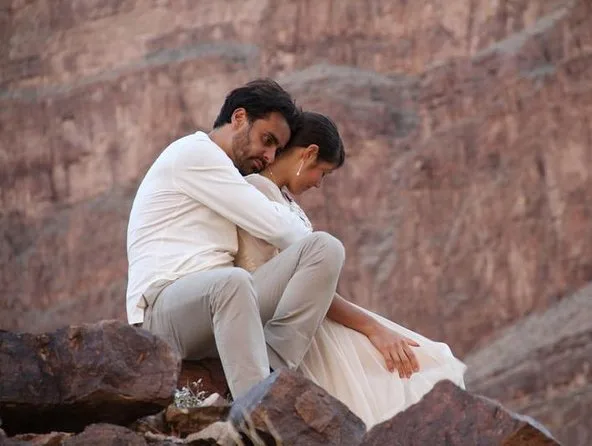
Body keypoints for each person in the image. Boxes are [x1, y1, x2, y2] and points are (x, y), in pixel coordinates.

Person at [235, 111, 466, 428]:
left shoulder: (283, 200)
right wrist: (372, 328)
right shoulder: (257, 193)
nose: (318, 183)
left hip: (310, 319)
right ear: (309, 153)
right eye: (323, 172)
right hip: (290, 326)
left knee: (430, 361)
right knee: (428, 365)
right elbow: (292, 284)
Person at [125, 79, 346, 400]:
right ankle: (255, 409)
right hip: (163, 310)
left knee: (325, 249)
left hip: (223, 307)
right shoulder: (195, 153)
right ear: (239, 118)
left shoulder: (231, 173)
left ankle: (272, 370)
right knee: (233, 282)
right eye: (267, 140)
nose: (269, 156)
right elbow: (281, 230)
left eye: (277, 149)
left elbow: (295, 240)